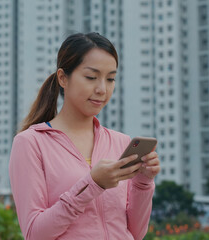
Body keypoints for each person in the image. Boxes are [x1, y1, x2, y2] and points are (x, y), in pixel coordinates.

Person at [9, 32, 161, 240]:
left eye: (110, 79)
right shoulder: (30, 143)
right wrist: (92, 184)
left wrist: (143, 181)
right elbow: (35, 234)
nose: (102, 89)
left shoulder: (120, 142)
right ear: (63, 78)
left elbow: (135, 232)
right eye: (91, 77)